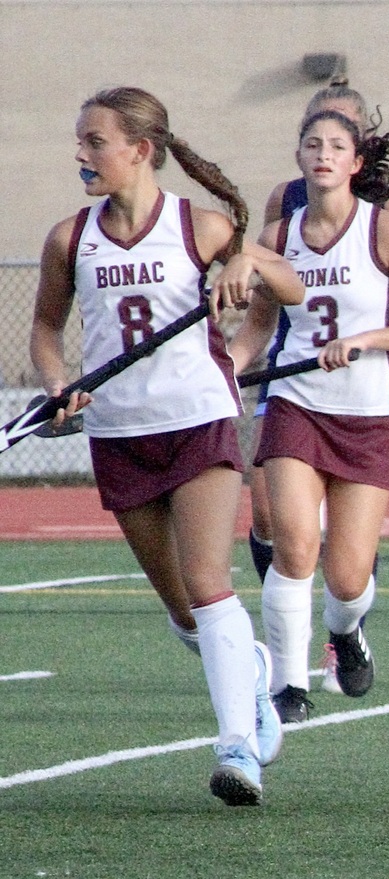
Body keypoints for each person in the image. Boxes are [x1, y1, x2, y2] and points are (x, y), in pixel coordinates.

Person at [29, 87, 305, 805]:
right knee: (184, 610)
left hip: (199, 421)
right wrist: (60, 385)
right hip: (120, 432)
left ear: (139, 150)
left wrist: (251, 272)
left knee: (209, 580)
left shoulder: (201, 227)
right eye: (80, 141)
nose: (81, 154)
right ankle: (251, 679)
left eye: (94, 141)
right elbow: (45, 334)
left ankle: (236, 745)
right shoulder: (69, 239)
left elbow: (291, 288)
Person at [228, 107, 389, 725]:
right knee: (295, 544)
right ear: (299, 158)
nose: (322, 154)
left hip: (370, 413)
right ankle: (288, 687)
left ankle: (346, 633)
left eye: (335, 146)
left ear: (356, 163)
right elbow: (257, 331)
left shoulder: (385, 231)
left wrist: (367, 340)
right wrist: (219, 371)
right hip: (298, 407)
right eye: (311, 144)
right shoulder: (278, 238)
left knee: (347, 579)